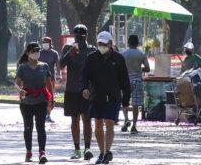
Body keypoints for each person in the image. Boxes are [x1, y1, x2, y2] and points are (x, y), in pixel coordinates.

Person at [81, 32, 131, 165]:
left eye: (104, 44)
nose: (102, 46)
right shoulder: (91, 58)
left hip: (113, 97)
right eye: (100, 44)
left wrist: (126, 100)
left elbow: (125, 80)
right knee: (98, 124)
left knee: (109, 123)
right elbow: (84, 76)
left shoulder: (118, 58)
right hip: (97, 96)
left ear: (110, 43)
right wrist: (84, 88)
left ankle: (107, 151)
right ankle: (102, 152)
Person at [59, 24, 95, 160]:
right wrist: (69, 54)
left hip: (86, 90)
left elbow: (96, 70)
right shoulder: (68, 48)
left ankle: (87, 148)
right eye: (77, 35)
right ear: (73, 35)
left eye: (82, 35)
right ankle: (76, 149)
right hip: (72, 89)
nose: (79, 38)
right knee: (74, 120)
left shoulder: (92, 50)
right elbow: (61, 64)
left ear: (86, 35)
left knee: (87, 119)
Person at [16, 42, 54, 164]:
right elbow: (16, 82)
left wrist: (51, 100)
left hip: (41, 101)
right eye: (33, 51)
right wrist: (19, 90)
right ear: (28, 53)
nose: (36, 53)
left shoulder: (44, 66)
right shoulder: (22, 67)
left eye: (38, 50)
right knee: (28, 127)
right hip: (26, 102)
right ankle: (28, 151)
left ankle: (42, 152)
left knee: (40, 127)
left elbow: (49, 84)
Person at [119, 35, 150, 133]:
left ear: (128, 42)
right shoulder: (141, 54)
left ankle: (126, 119)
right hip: (137, 80)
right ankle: (134, 125)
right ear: (138, 43)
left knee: (125, 101)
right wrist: (139, 69)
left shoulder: (122, 54)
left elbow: (118, 67)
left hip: (125, 81)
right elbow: (148, 68)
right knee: (136, 104)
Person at [37, 36, 60, 123]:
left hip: (50, 79)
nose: (45, 44)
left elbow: (57, 65)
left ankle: (48, 114)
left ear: (50, 44)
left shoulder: (54, 53)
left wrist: (59, 75)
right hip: (40, 79)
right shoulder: (39, 53)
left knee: (50, 97)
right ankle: (40, 114)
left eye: (47, 42)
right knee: (40, 97)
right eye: (44, 42)